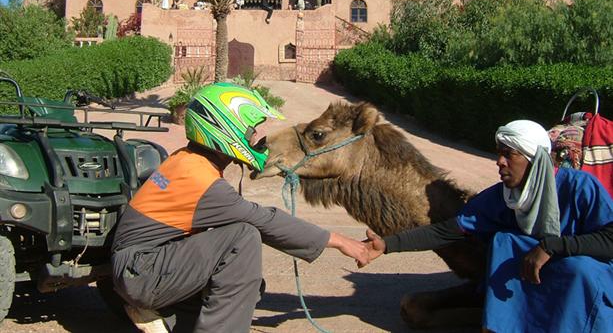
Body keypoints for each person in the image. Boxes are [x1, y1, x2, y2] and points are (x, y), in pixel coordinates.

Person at [111, 83, 370, 333]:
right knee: (242, 239)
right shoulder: (201, 180)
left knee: (245, 276)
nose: (256, 138)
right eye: (250, 130)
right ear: (225, 129)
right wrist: (339, 241)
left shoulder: (187, 160)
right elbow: (263, 219)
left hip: (142, 266)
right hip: (141, 272)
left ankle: (162, 316)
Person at [364, 120, 613, 332]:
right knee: (505, 243)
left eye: (509, 154)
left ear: (534, 158)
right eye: (498, 153)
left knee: (577, 268)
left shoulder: (580, 187)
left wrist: (554, 246)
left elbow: (610, 239)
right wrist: (387, 244)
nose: (499, 162)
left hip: (585, 280)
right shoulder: (501, 198)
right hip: (537, 281)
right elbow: (448, 231)